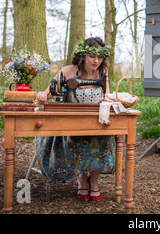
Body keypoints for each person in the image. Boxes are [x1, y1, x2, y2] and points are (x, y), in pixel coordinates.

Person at [35, 37, 113, 202]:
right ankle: (82, 179)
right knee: (76, 137)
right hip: (69, 123)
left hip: (94, 123)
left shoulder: (102, 73)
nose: (96, 61)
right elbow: (46, 94)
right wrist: (41, 96)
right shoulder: (67, 71)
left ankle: (94, 181)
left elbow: (106, 96)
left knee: (105, 136)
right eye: (92, 56)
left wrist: (107, 100)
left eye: (100, 57)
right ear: (83, 55)